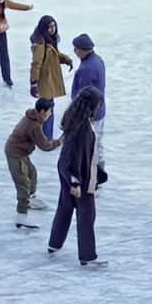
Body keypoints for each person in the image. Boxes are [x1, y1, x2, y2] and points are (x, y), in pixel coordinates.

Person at [47, 86, 106, 268]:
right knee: (86, 215)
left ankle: (54, 244)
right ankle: (87, 256)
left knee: (65, 208)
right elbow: (75, 154)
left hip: (67, 171)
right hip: (77, 176)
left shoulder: (75, 120)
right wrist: (76, 181)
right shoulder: (83, 128)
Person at [4, 99, 60, 229]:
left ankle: (30, 198)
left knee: (32, 173)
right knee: (23, 183)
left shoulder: (33, 117)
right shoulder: (34, 125)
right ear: (41, 111)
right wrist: (59, 142)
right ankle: (21, 217)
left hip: (22, 152)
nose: (50, 115)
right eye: (49, 112)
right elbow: (45, 146)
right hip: (15, 154)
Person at [27, 15, 74, 139]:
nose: (52, 29)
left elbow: (55, 54)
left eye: (54, 26)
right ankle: (46, 137)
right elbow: (36, 64)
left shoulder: (50, 40)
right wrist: (34, 83)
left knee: (47, 107)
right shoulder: (40, 44)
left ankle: (42, 134)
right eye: (49, 27)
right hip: (45, 80)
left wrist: (65, 59)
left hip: (49, 79)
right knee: (48, 109)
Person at [70, 33, 106, 166]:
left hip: (90, 113)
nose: (74, 52)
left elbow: (84, 95)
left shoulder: (87, 69)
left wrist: (79, 114)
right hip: (99, 110)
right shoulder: (97, 60)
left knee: (91, 144)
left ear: (82, 50)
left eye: (76, 49)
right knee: (97, 141)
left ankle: (96, 172)